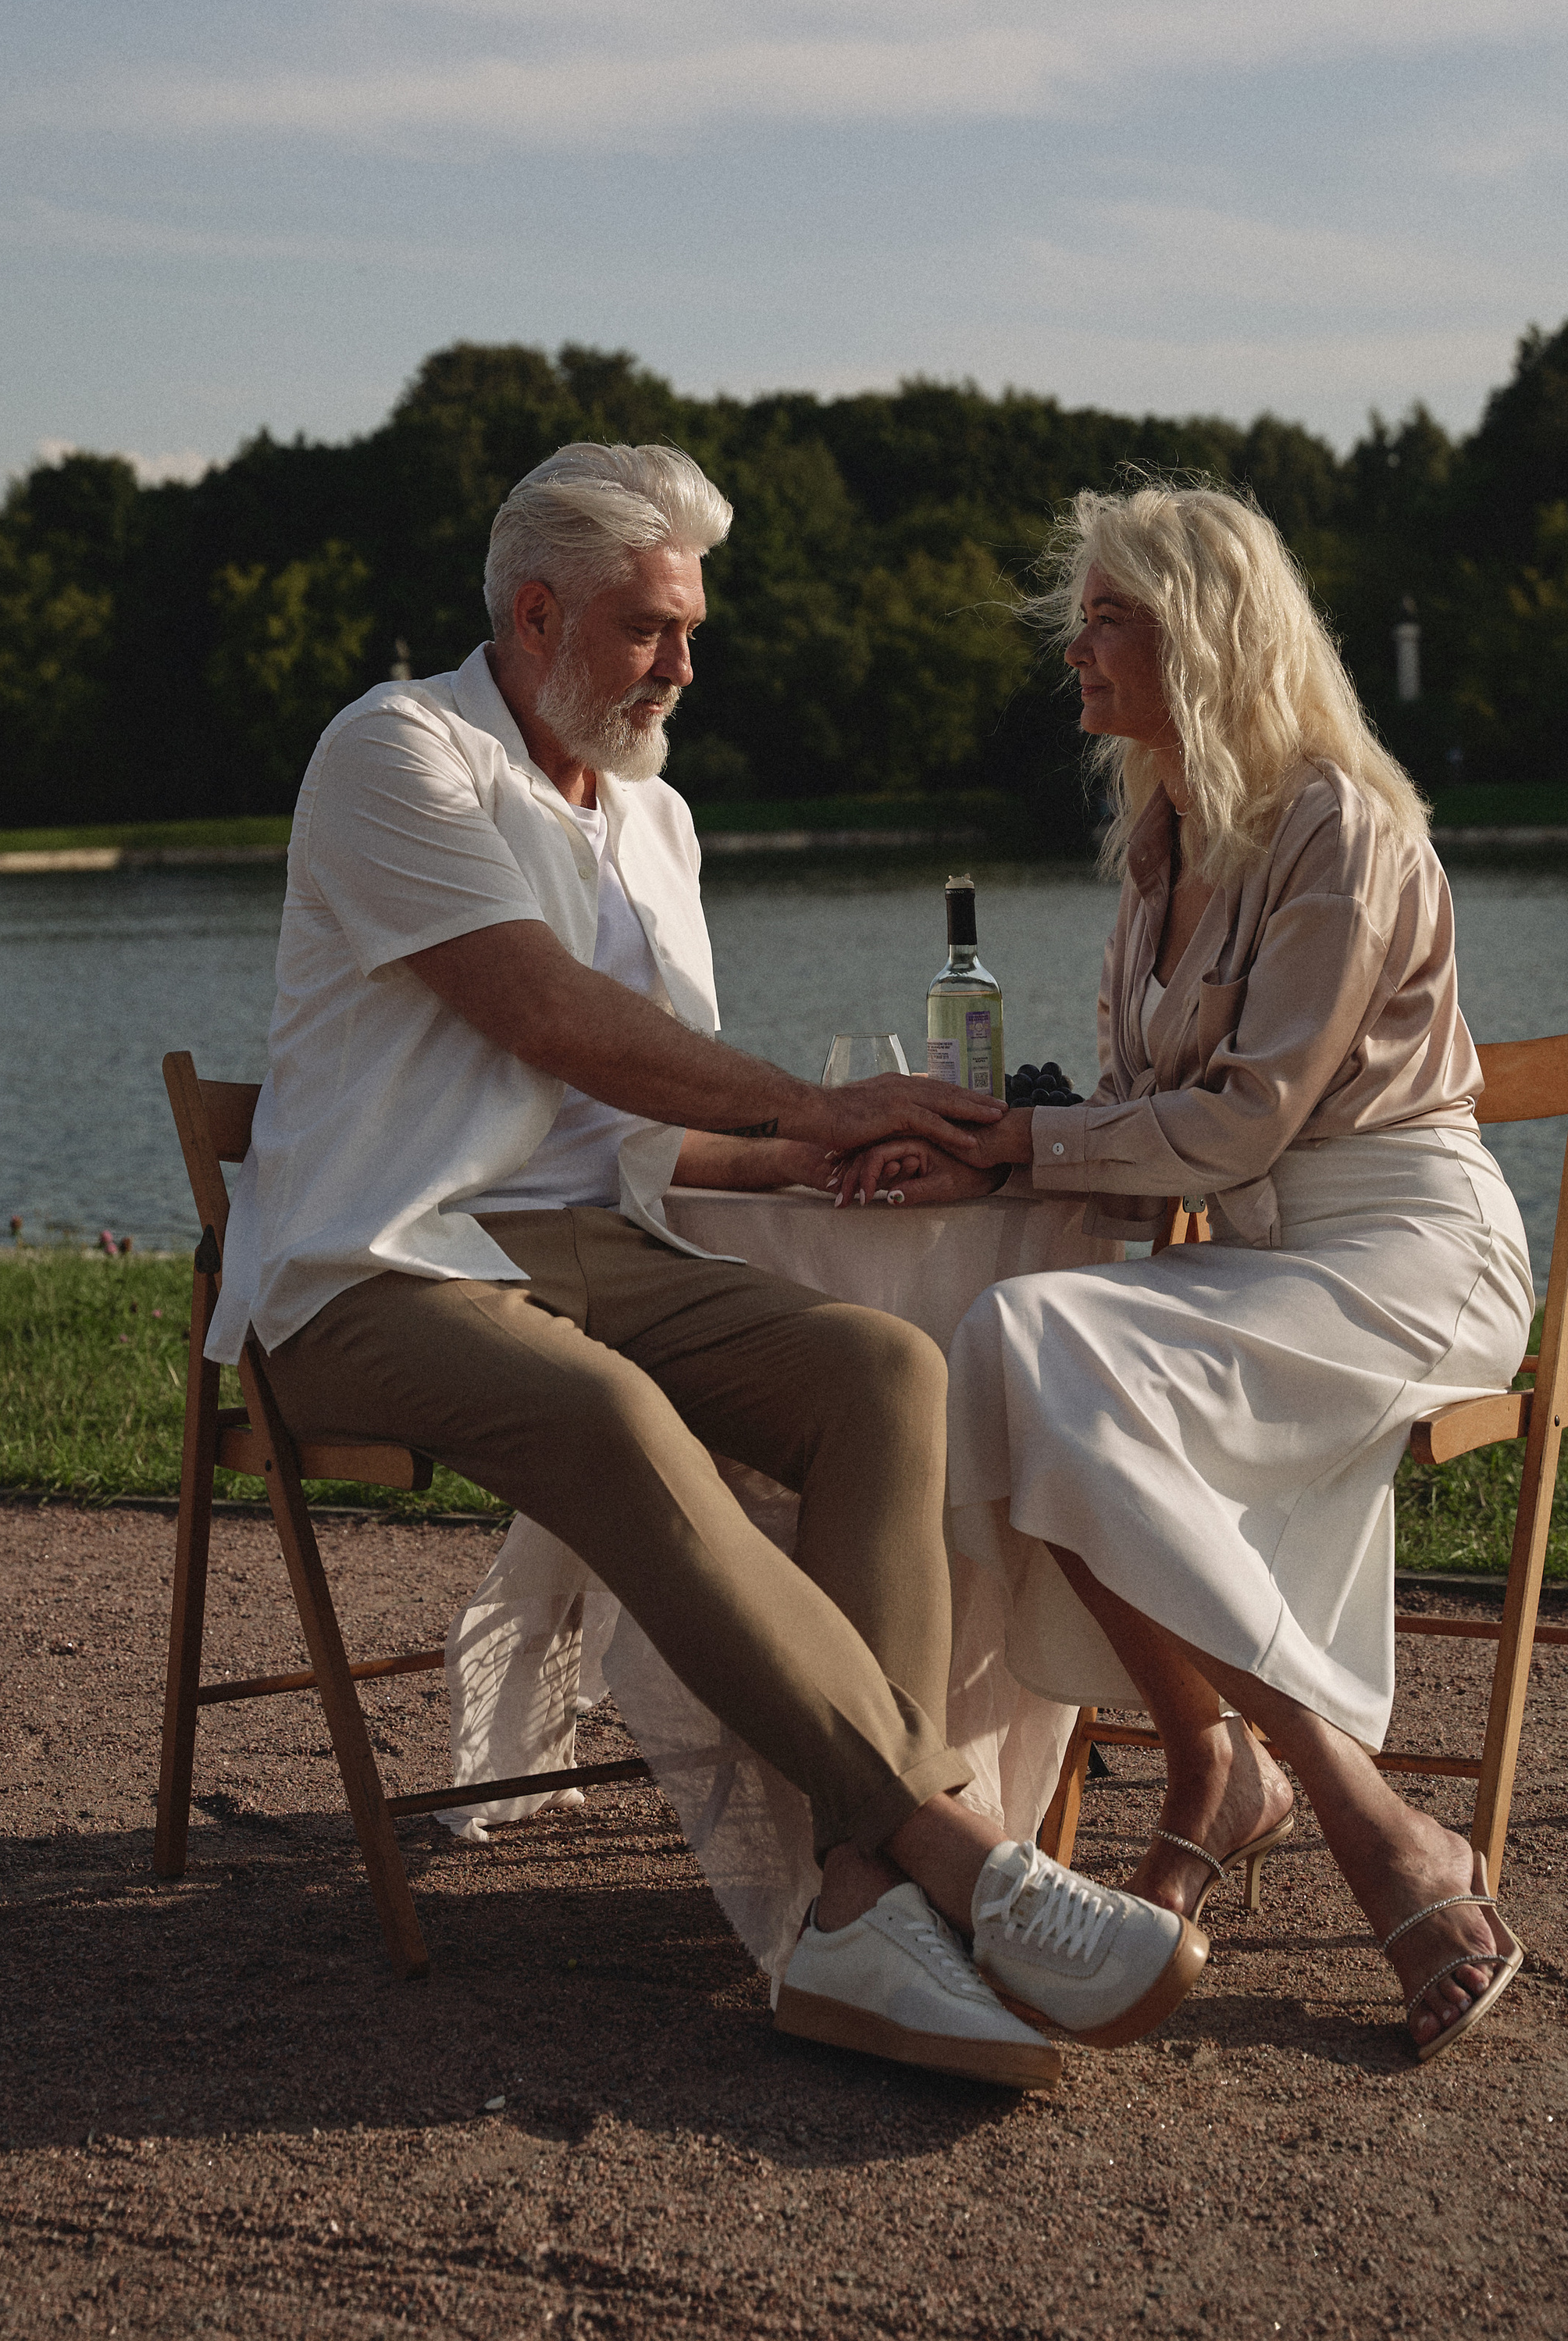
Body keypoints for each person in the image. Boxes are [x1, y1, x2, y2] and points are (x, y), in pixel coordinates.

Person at [207, 440, 1206, 2089]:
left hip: (595, 1243)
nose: (682, 663)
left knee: (883, 1369)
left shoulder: (654, 819)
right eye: (643, 629)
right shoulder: (397, 753)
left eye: (687, 628)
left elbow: (643, 1126)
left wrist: (838, 1147)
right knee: (611, 1420)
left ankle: (851, 1907)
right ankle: (957, 1859)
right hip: (370, 1270)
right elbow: (546, 1018)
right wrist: (816, 1098)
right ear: (534, 616)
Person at [832, 479, 1534, 2065]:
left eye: (1106, 619)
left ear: (1201, 634)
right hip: (1259, 1259)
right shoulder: (1151, 857)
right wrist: (977, 1149)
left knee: (1027, 1353)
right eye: (1076, 621)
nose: (1073, 654)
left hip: (1410, 1250)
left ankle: (1310, 1798)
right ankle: (1254, 1777)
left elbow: (1234, 1126)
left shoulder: (1338, 829)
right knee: (1006, 1339)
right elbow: (1141, 1134)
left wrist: (1016, 1150)